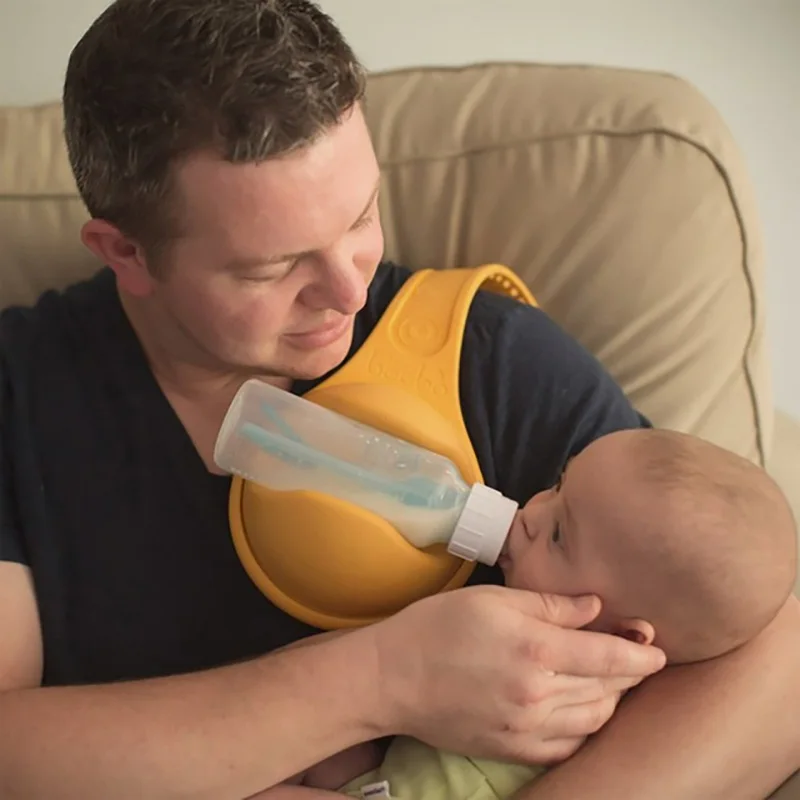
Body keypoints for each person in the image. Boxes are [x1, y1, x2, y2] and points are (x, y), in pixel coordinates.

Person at [0, 1, 797, 798]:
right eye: (272, 268)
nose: (347, 290)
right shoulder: (20, 397)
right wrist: (378, 678)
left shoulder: (482, 357)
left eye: (362, 217)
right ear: (125, 252)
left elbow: (770, 652)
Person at [262, 427, 796, 799]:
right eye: (560, 485)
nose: (532, 510)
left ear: (628, 638)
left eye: (561, 535)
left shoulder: (600, 703)